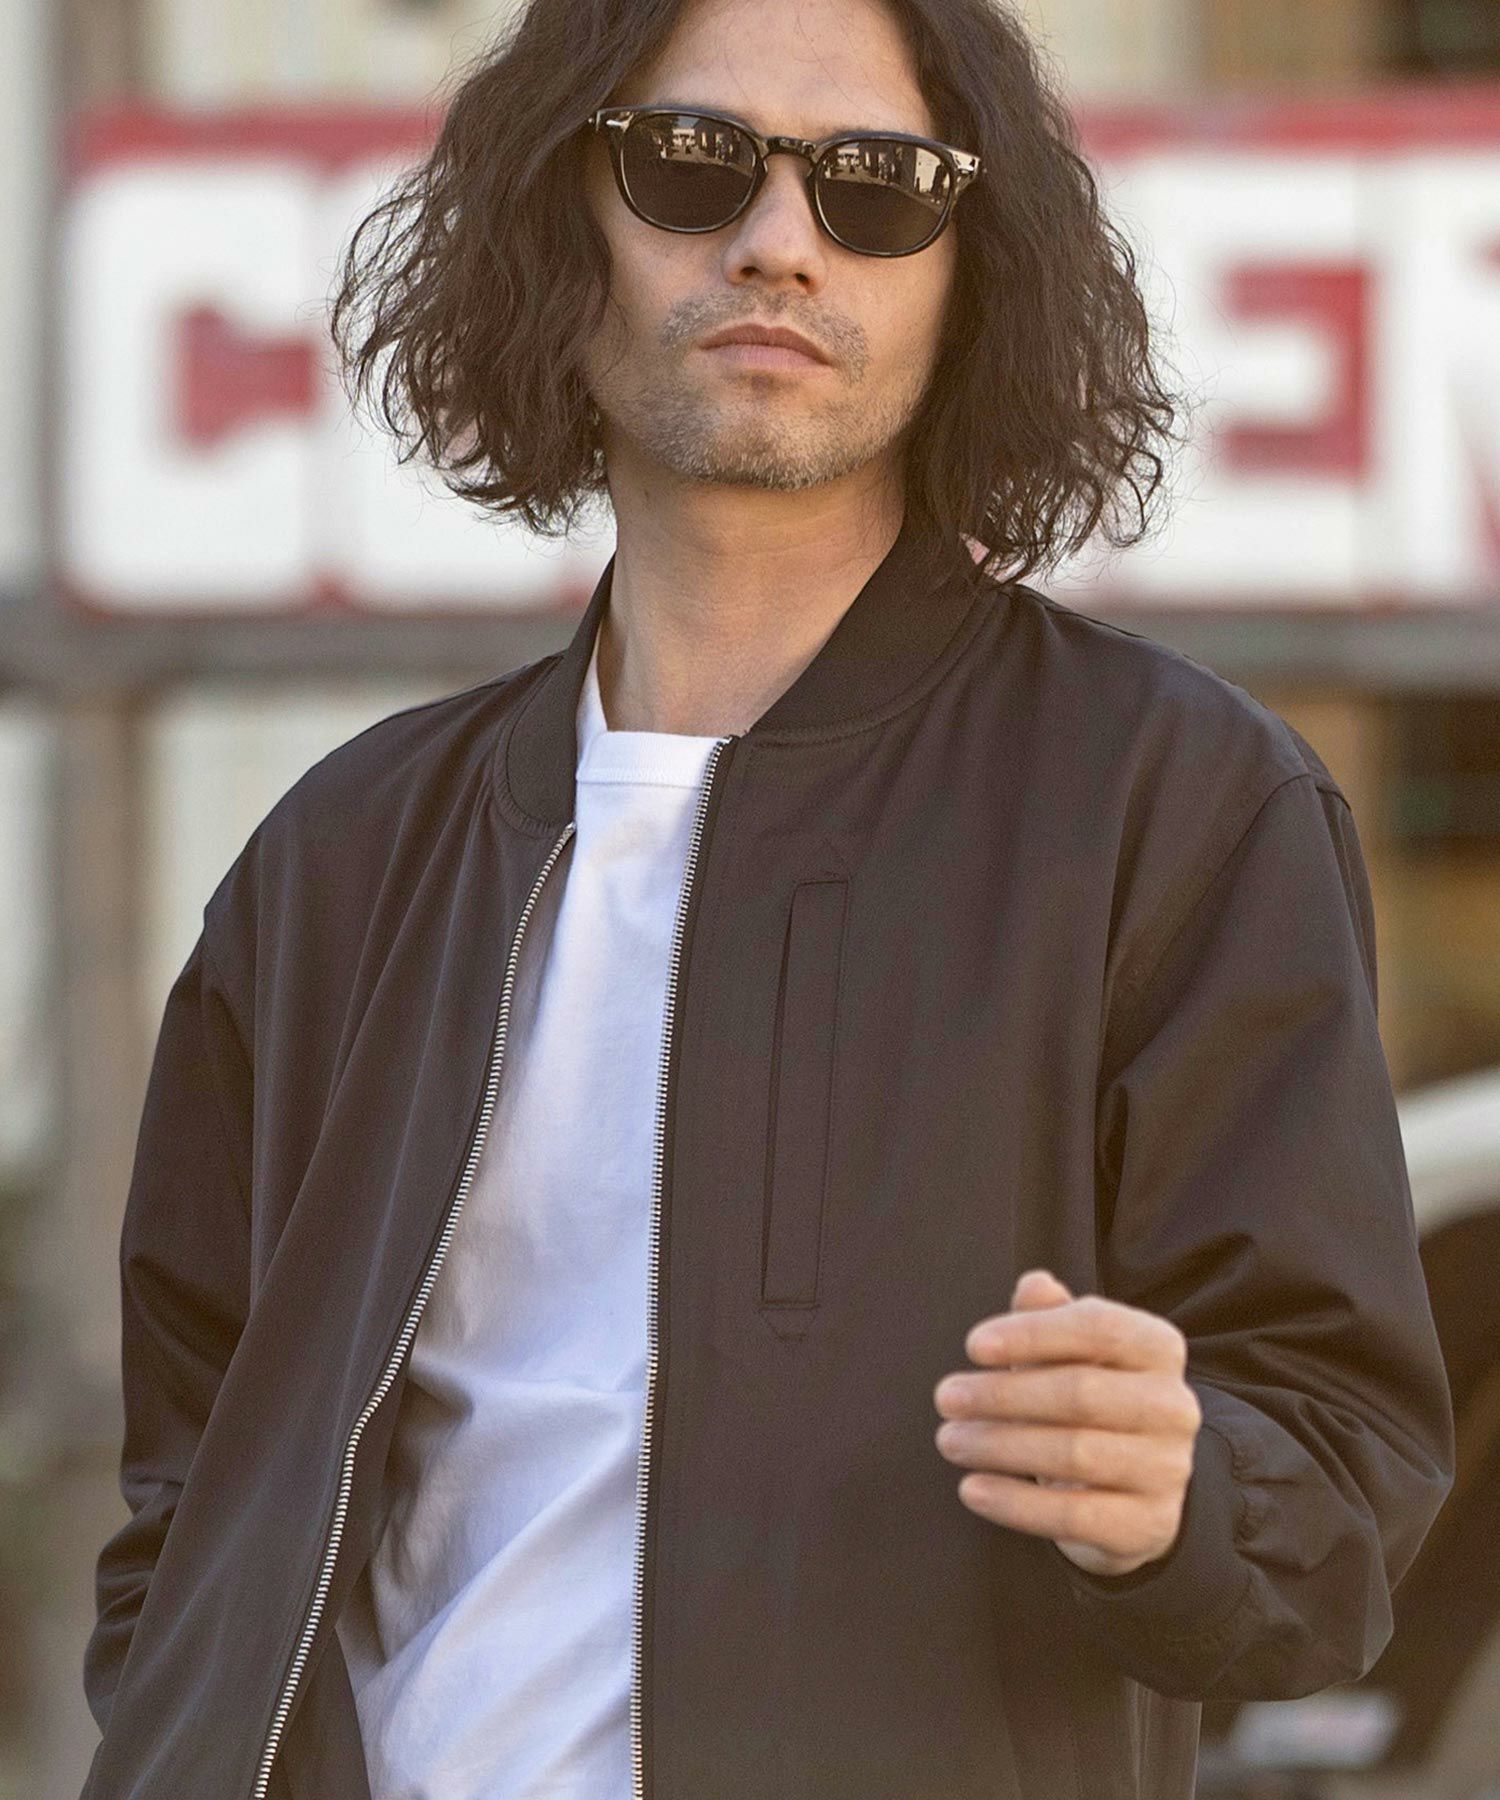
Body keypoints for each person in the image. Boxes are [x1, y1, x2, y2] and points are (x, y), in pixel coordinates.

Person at [80, 0, 1457, 1792]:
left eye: (878, 185)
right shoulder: (338, 861)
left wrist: (1182, 1492)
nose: (781, 241)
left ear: (971, 266)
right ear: (555, 215)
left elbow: (1339, 1499)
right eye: (692, 161)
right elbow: (189, 1508)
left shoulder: (1173, 806)